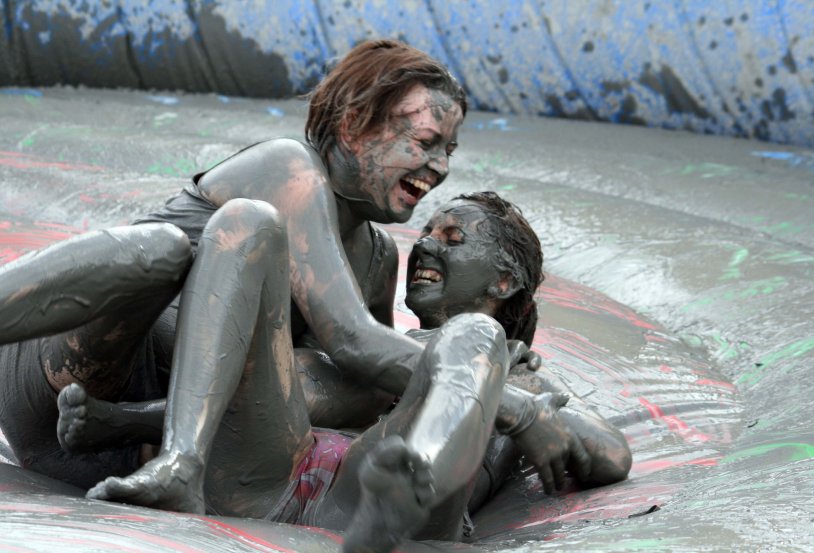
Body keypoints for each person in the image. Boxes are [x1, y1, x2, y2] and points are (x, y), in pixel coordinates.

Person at [0, 40, 582, 552]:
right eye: (426, 141)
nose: (439, 166)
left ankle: (164, 449)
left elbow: (355, 388)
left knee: (354, 380)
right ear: (355, 124)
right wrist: (511, 405)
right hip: (60, 388)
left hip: (129, 450)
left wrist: (450, 432)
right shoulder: (290, 170)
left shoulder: (378, 259)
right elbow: (353, 341)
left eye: (449, 150)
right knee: (162, 250)